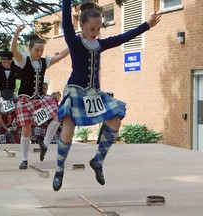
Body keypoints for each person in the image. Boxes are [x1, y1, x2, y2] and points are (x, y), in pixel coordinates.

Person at [52, 0, 161, 191]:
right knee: (68, 133)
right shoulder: (75, 42)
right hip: (76, 91)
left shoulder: (100, 45)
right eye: (92, 28)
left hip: (94, 93)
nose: (95, 31)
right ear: (82, 26)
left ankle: (97, 161)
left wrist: (146, 25)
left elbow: (123, 37)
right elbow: (66, 23)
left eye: (98, 28)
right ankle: (59, 169)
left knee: (115, 122)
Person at [11, 24, 69, 169]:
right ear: (30, 49)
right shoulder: (24, 60)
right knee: (26, 129)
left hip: (38, 99)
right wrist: (17, 33)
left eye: (41, 50)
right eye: (37, 50)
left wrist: (74, 42)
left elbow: (60, 55)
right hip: (24, 99)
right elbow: (13, 50)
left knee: (58, 115)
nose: (39, 52)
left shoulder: (44, 62)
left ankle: (45, 143)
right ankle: (24, 159)